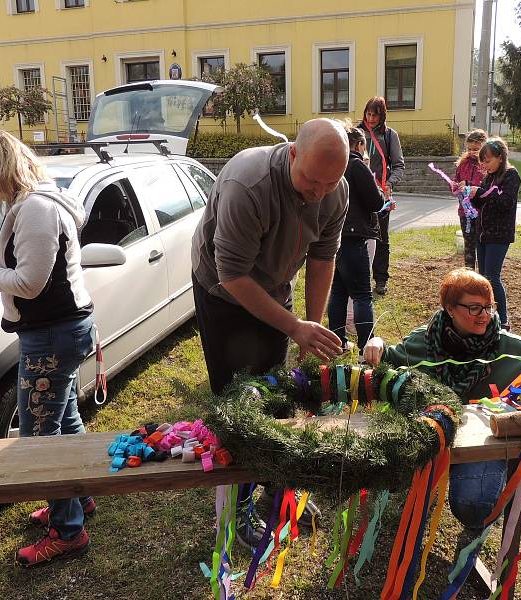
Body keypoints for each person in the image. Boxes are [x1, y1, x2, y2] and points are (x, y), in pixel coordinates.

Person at [191, 118, 350, 547]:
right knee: (237, 404)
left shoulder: (335, 188)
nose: (319, 193)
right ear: (292, 153)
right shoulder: (250, 183)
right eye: (311, 181)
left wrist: (309, 328)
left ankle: (278, 490)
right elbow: (233, 276)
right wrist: (295, 326)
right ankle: (237, 507)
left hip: (276, 289)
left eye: (329, 184)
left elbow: (322, 259)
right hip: (223, 293)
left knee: (278, 397)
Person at [363, 268, 521, 531]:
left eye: (489, 307)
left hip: (482, 444)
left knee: (473, 506)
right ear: (450, 309)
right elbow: (387, 360)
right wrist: (377, 343)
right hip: (433, 438)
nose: (485, 316)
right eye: (474, 308)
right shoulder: (423, 342)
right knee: (399, 511)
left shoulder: (507, 346)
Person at [0, 129, 96, 567]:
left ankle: (68, 532)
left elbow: (29, 283)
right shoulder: (34, 204)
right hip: (58, 331)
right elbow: (27, 267)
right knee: (63, 421)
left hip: (52, 336)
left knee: (39, 438)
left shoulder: (35, 210)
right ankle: (77, 500)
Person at [327, 123, 385, 352]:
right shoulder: (356, 165)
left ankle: (337, 342)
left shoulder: (334, 165)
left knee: (339, 290)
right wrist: (380, 191)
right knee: (362, 294)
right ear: (359, 144)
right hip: (355, 236)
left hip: (335, 237)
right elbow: (376, 202)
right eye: (364, 145)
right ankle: (365, 347)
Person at [468, 137, 520, 331]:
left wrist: (481, 191)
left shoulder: (510, 175)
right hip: (483, 233)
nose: (484, 165)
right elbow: (483, 203)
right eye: (483, 161)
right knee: (482, 277)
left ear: (500, 157)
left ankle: (503, 320)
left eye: (488, 161)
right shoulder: (489, 176)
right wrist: (472, 196)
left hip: (499, 235)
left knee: (492, 277)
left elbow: (505, 202)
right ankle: (487, 315)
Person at [358, 96, 405, 296]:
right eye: (368, 113)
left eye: (374, 115)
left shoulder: (389, 135)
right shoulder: (356, 132)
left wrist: (389, 184)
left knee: (381, 238)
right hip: (358, 194)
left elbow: (399, 165)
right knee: (357, 237)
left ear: (382, 115)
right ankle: (359, 277)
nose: (370, 118)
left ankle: (380, 279)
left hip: (381, 196)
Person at [451, 129, 488, 271]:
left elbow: (485, 188)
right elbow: (456, 180)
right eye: (470, 149)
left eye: (476, 149)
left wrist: (468, 184)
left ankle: (484, 276)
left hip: (481, 212)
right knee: (469, 246)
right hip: (464, 213)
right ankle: (470, 275)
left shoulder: (487, 164)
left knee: (482, 246)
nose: (472, 152)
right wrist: (455, 186)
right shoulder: (463, 163)